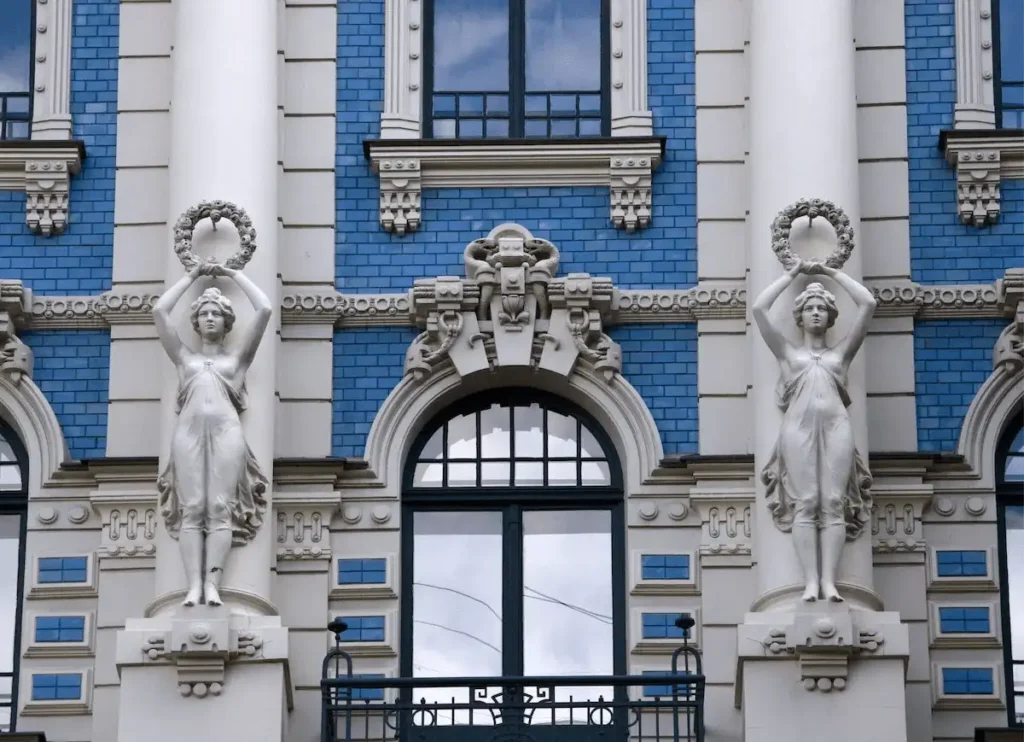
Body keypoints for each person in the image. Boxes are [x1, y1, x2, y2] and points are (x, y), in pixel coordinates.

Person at [752, 259, 876, 602]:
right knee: (806, 502)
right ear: (800, 315)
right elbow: (760, 308)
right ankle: (810, 583)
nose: (817, 312)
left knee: (834, 501)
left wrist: (830, 272)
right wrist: (792, 274)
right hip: (798, 429)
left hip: (836, 426)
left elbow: (868, 303)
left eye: (823, 307)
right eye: (810, 308)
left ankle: (830, 583)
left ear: (831, 316)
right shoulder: (789, 355)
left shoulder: (840, 356)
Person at [153, 262, 272, 607]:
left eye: (216, 314)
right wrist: (192, 275)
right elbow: (159, 310)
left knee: (220, 507)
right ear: (196, 321)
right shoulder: (184, 361)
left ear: (226, 321)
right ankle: (193, 586)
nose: (209, 319)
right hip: (188, 433)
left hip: (226, 433)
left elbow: (264, 308)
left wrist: (233, 272)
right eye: (203, 313)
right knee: (192, 508)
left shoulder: (236, 362)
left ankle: (212, 584)